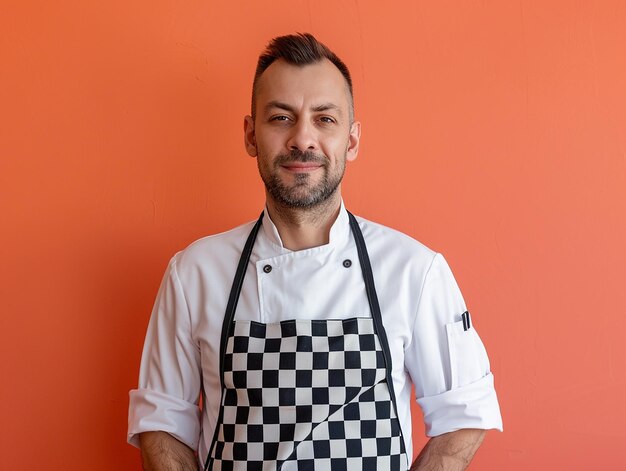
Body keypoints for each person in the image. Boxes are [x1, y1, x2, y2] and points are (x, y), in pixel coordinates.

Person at [128, 33, 502, 471]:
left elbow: (464, 413)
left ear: (352, 139)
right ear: (251, 135)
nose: (302, 139)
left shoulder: (414, 271)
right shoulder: (193, 274)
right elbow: (162, 422)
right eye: (281, 117)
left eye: (324, 119)